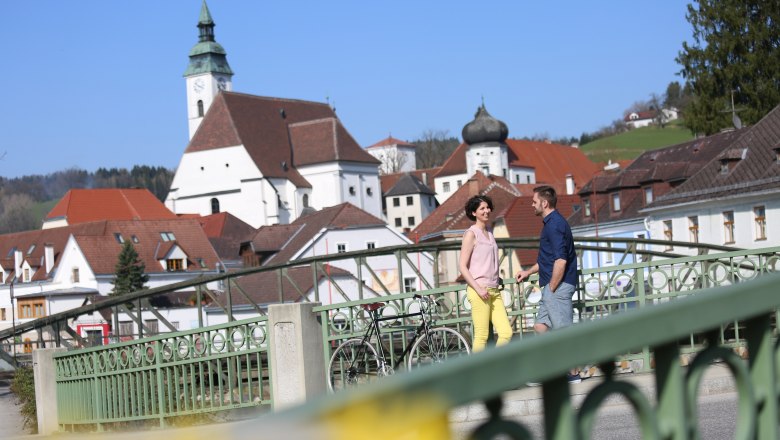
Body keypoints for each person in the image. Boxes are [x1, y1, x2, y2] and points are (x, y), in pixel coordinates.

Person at [515, 185, 581, 383]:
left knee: (562, 331)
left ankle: (574, 374)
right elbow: (548, 259)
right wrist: (528, 271)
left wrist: (552, 288)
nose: (532, 204)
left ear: (544, 203)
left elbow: (560, 260)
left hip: (558, 286)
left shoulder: (554, 225)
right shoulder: (552, 223)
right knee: (540, 327)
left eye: (534, 201)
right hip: (552, 286)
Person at [459, 195, 513, 352]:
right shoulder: (471, 234)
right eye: (482, 208)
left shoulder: (490, 231)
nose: (486, 210)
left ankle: (493, 368)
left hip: (494, 289)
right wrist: (478, 288)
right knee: (481, 336)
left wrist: (496, 276)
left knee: (506, 332)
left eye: (488, 207)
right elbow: (462, 266)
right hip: (479, 290)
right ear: (474, 213)